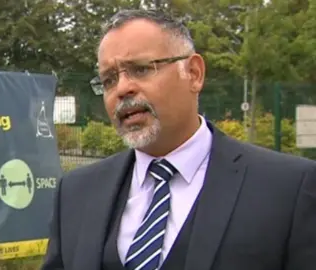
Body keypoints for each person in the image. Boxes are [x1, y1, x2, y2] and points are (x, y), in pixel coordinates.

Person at [41, 9, 316, 270]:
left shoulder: (288, 189)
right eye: (109, 79)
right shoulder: (76, 193)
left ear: (194, 74)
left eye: (141, 69)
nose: (123, 88)